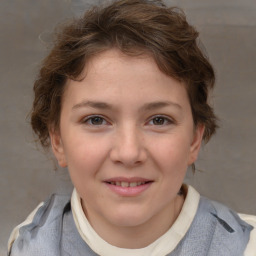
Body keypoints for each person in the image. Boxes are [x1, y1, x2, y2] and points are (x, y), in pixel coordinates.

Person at [7, 0, 256, 255]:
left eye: (159, 120)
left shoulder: (247, 247)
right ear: (57, 140)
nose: (128, 153)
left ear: (194, 139)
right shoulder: (29, 245)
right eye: (96, 120)